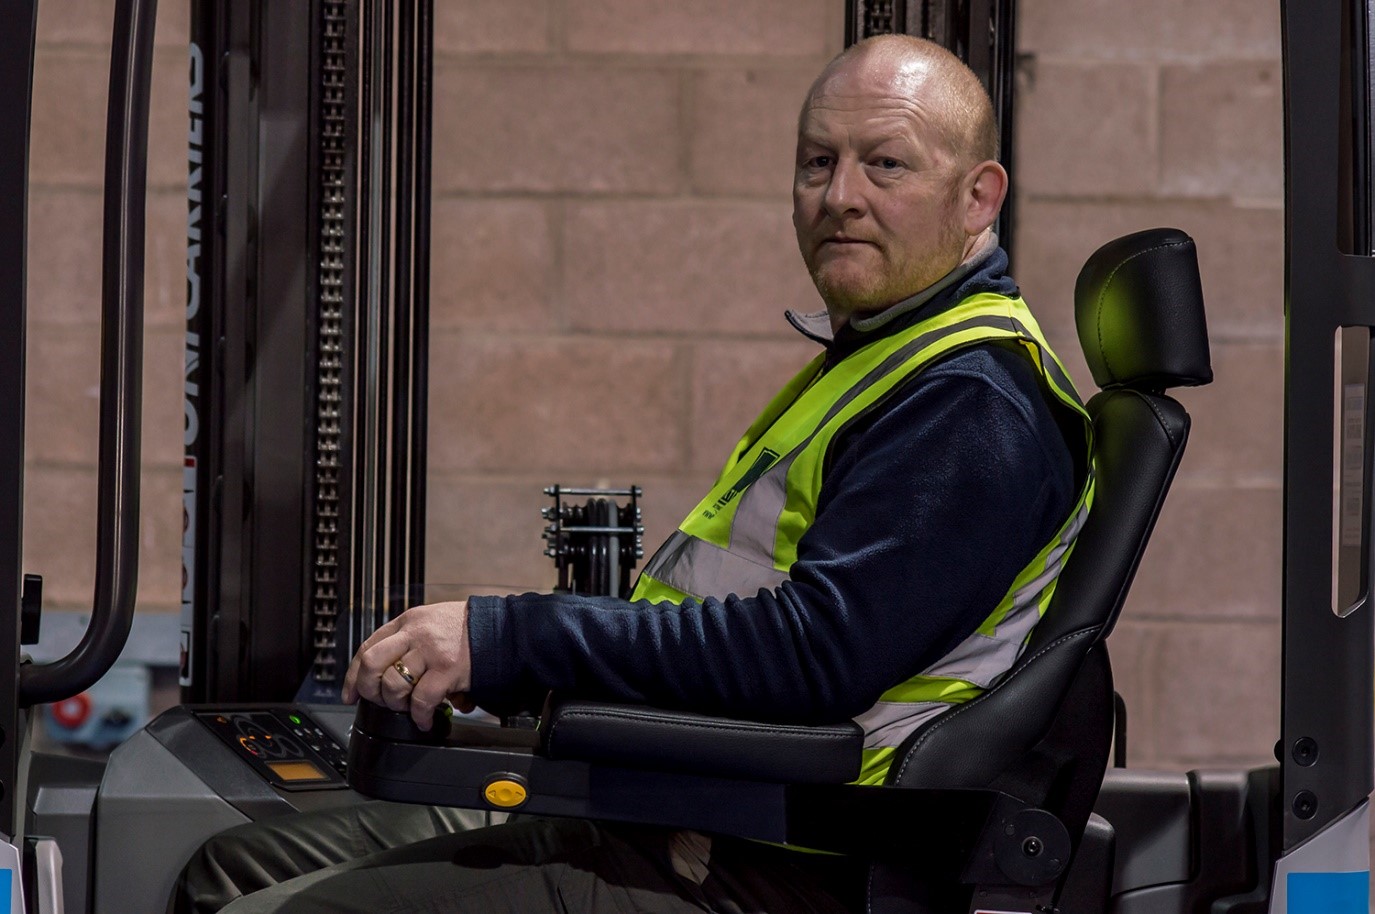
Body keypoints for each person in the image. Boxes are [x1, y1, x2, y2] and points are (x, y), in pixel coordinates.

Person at [177, 32, 1092, 914]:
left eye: (884, 165)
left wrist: (509, 641)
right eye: (817, 163)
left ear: (977, 197)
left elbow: (811, 658)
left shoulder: (971, 404)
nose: (839, 196)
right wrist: (518, 667)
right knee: (229, 867)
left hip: (775, 860)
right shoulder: (881, 360)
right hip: (676, 797)